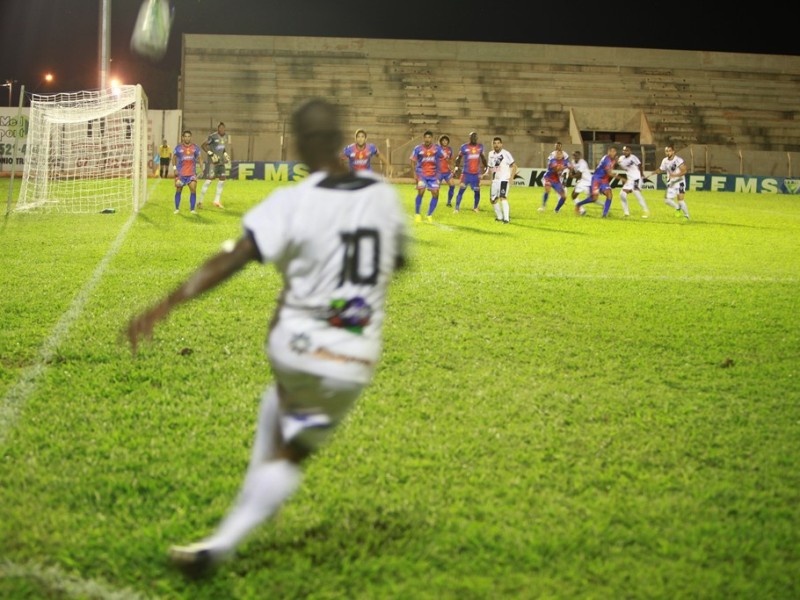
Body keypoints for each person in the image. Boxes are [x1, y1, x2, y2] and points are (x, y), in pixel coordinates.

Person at [125, 97, 410, 579]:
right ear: (343, 138)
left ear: (299, 145)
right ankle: (248, 512)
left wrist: (165, 304)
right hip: (353, 356)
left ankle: (235, 527)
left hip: (294, 348)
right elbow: (397, 262)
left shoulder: (294, 200)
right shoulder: (383, 196)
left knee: (278, 401)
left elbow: (229, 260)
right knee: (294, 449)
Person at [409, 130, 444, 223]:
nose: (427, 139)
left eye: (429, 137)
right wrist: (414, 174)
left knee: (436, 193)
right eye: (426, 137)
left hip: (433, 175)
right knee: (421, 191)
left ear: (432, 138)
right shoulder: (418, 148)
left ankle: (429, 215)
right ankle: (417, 214)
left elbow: (443, 158)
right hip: (421, 174)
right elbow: (412, 161)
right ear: (423, 138)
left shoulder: (437, 149)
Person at [649, 144, 690, 219]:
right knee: (667, 201)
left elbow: (684, 171)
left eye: (669, 151)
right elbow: (661, 169)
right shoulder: (664, 160)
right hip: (671, 183)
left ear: (673, 151)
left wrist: (675, 175)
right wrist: (654, 172)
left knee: (680, 200)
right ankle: (677, 208)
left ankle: (686, 216)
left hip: (680, 182)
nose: (668, 153)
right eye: (666, 151)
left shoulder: (678, 160)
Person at [575, 146, 617, 218]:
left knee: (609, 195)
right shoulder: (606, 159)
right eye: (611, 151)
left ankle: (604, 214)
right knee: (594, 198)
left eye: (614, 151)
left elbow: (609, 171)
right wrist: (622, 178)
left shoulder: (614, 160)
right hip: (596, 179)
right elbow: (609, 173)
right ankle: (578, 204)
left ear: (616, 153)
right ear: (608, 152)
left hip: (604, 180)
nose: (612, 153)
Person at [199, 122, 232, 209]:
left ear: (224, 129)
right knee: (209, 181)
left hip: (221, 163)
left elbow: (223, 148)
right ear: (218, 129)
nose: (221, 130)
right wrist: (210, 153)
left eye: (223, 128)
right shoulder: (212, 136)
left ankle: (216, 201)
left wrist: (225, 155)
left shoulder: (226, 137)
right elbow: (203, 145)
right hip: (213, 163)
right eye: (220, 128)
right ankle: (200, 201)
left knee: (222, 180)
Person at [453, 131, 488, 213]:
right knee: (461, 190)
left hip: (476, 174)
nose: (474, 138)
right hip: (466, 173)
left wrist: (486, 166)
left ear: (477, 138)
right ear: (469, 138)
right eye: (472, 137)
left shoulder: (480, 147)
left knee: (477, 191)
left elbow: (483, 158)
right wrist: (456, 167)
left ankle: (475, 207)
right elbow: (459, 158)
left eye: (475, 137)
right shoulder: (464, 147)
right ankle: (456, 208)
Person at [487, 136, 517, 223]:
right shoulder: (490, 154)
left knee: (503, 197)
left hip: (504, 179)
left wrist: (511, 177)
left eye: (498, 143)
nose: (496, 145)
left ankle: (506, 219)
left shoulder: (506, 154)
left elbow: (514, 166)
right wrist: (487, 175)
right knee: (492, 200)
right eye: (494, 143)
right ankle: (499, 217)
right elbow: (490, 167)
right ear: (492, 144)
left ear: (501, 144)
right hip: (495, 180)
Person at [172, 130, 202, 214]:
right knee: (178, 190)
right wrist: (174, 169)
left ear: (191, 137)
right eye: (186, 136)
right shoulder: (178, 148)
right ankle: (177, 209)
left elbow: (199, 158)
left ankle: (192, 209)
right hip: (181, 174)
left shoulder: (195, 147)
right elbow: (173, 158)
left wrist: (201, 168)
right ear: (183, 137)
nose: (187, 138)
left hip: (191, 173)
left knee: (193, 189)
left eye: (189, 136)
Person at [616, 145, 650, 218]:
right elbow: (621, 166)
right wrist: (617, 162)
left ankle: (646, 211)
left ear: (630, 151)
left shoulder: (633, 157)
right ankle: (626, 213)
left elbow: (640, 165)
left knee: (636, 192)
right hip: (630, 180)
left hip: (637, 178)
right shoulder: (621, 158)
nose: (625, 152)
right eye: (624, 150)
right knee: (622, 194)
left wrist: (642, 175)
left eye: (627, 150)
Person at [539, 148, 570, 213]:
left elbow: (571, 167)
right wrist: (565, 167)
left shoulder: (565, 161)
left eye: (560, 153)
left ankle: (556, 210)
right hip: (548, 178)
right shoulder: (552, 160)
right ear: (555, 154)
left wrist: (569, 168)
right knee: (548, 187)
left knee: (564, 197)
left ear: (562, 155)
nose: (558, 154)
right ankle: (543, 206)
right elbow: (557, 168)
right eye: (557, 153)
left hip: (556, 180)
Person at [569, 150, 593, 215]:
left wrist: (571, 176)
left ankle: (604, 205)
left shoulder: (583, 163)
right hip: (582, 181)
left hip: (588, 181)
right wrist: (571, 171)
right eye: (574, 155)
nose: (575, 157)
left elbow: (579, 174)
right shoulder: (573, 162)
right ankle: (582, 210)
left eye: (576, 156)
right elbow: (574, 171)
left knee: (592, 199)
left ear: (580, 156)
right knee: (573, 195)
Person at [438, 135, 457, 207]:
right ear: (441, 142)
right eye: (443, 140)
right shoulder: (438, 149)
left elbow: (451, 160)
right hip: (438, 172)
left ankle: (449, 202)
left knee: (452, 186)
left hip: (447, 172)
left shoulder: (450, 149)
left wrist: (453, 169)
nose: (445, 142)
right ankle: (434, 202)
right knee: (436, 188)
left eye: (446, 140)